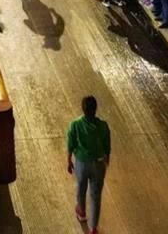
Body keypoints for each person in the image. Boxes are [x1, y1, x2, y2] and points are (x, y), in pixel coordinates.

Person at [67, 96, 110, 234]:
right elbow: (106, 145)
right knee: (96, 196)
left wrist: (68, 160)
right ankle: (93, 228)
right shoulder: (103, 126)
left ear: (83, 109)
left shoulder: (76, 124)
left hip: (82, 163)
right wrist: (106, 159)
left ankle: (81, 212)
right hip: (98, 164)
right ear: (95, 109)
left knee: (81, 188)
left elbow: (71, 143)